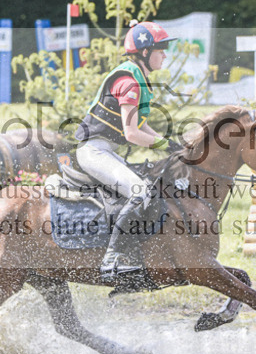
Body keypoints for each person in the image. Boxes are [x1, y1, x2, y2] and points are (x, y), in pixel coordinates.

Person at [74, 21, 182, 285]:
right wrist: (163, 146)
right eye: (161, 49)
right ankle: (113, 260)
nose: (165, 54)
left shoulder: (135, 78)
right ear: (145, 52)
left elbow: (142, 125)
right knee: (140, 192)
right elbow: (132, 133)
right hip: (94, 151)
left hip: (105, 151)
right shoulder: (130, 82)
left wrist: (171, 143)